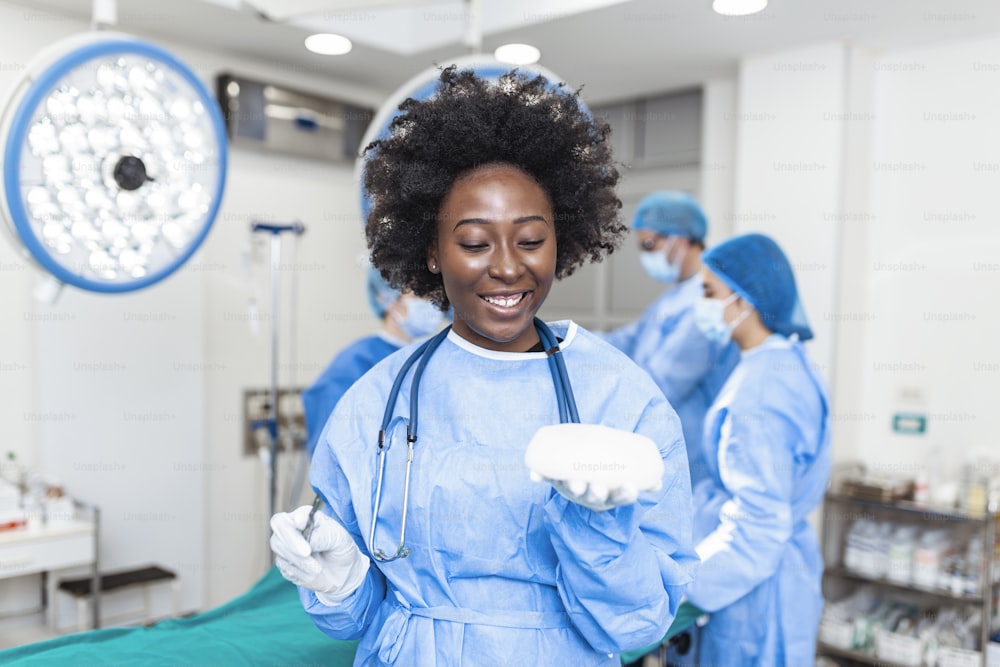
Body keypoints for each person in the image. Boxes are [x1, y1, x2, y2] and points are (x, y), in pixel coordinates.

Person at [269, 65, 699, 666]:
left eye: (530, 240)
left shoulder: (618, 397)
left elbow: (638, 627)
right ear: (431, 251)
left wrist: (601, 536)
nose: (506, 268)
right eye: (474, 243)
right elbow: (362, 616)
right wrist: (339, 581)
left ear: (563, 239)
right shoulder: (378, 401)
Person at [683, 232, 831, 666]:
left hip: (757, 598)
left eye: (710, 292)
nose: (703, 305)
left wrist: (681, 585)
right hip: (785, 578)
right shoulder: (788, 359)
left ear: (744, 300)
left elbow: (757, 529)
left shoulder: (761, 396)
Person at [601, 191, 740, 488]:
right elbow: (629, 339)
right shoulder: (675, 296)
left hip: (690, 457)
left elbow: (663, 383)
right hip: (663, 448)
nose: (646, 255)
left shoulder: (707, 301)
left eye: (649, 245)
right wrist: (566, 339)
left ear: (681, 238)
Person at [301, 266, 444, 456]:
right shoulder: (356, 362)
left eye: (432, 294)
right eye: (419, 293)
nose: (430, 303)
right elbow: (330, 451)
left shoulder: (430, 358)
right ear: (386, 298)